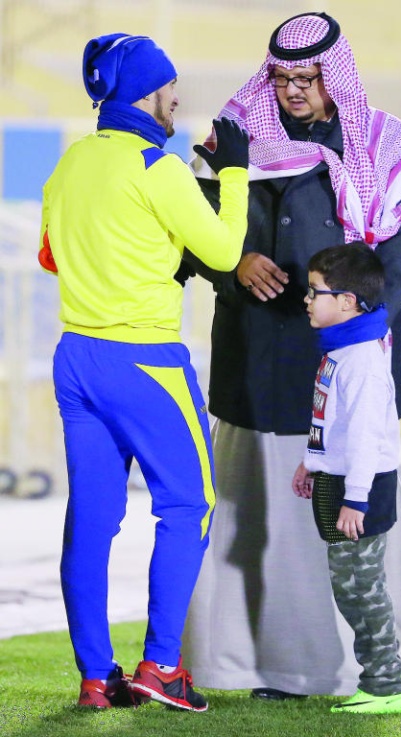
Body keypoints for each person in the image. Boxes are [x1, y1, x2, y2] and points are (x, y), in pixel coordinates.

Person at [181, 12, 401, 701]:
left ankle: (384, 667)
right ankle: (259, 666)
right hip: (258, 359)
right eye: (283, 78)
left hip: (348, 366)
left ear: (336, 76)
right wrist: (233, 262)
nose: (294, 91)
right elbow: (188, 231)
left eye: (308, 78)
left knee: (361, 517)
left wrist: (347, 323)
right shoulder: (232, 138)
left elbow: (399, 263)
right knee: (259, 520)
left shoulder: (386, 146)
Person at [40, 33, 249, 711]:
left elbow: (51, 257)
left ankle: (97, 676)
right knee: (190, 504)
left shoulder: (70, 163)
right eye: (170, 88)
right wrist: (234, 175)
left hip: (76, 358)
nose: (177, 98)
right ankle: (161, 666)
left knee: (91, 522)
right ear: (147, 94)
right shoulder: (158, 168)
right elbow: (221, 248)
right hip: (145, 359)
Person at [291, 242, 401, 714]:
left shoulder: (361, 359)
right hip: (339, 480)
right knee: (350, 586)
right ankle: (380, 681)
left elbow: (363, 436)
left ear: (346, 302)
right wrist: (310, 462)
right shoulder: (341, 349)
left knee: (362, 588)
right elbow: (331, 422)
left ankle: (386, 686)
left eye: (315, 291)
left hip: (361, 487)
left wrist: (355, 498)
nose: (306, 299)